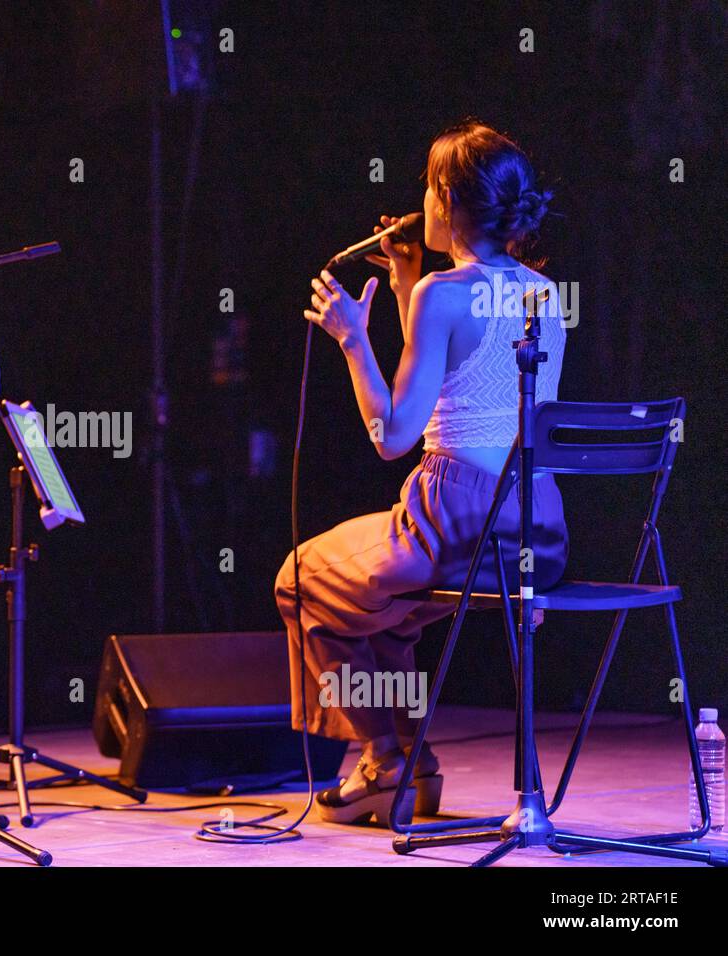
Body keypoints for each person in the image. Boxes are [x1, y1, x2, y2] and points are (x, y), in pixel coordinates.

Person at [274, 121, 567, 825]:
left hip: (454, 517)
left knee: (302, 581)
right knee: (388, 618)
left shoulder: (441, 294)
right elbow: (468, 379)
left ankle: (384, 760)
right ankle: (410, 769)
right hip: (535, 525)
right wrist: (410, 285)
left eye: (426, 186)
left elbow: (392, 435)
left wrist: (351, 338)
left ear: (445, 198)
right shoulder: (542, 293)